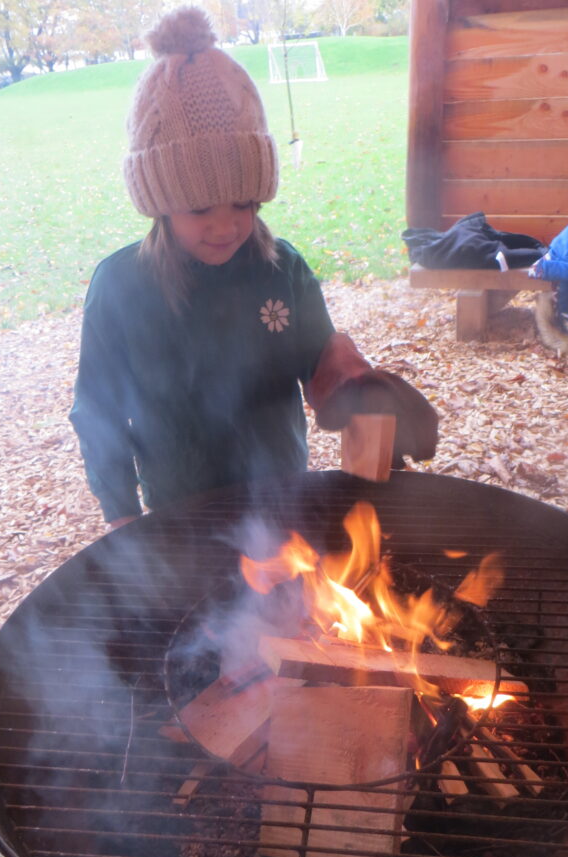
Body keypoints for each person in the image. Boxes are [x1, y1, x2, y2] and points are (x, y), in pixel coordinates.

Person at [70, 6, 437, 529]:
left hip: (282, 494)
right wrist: (123, 516)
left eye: (243, 203)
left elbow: (322, 360)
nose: (226, 226)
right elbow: (98, 413)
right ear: (160, 202)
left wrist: (359, 392)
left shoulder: (282, 269)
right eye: (200, 209)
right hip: (179, 508)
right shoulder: (121, 287)